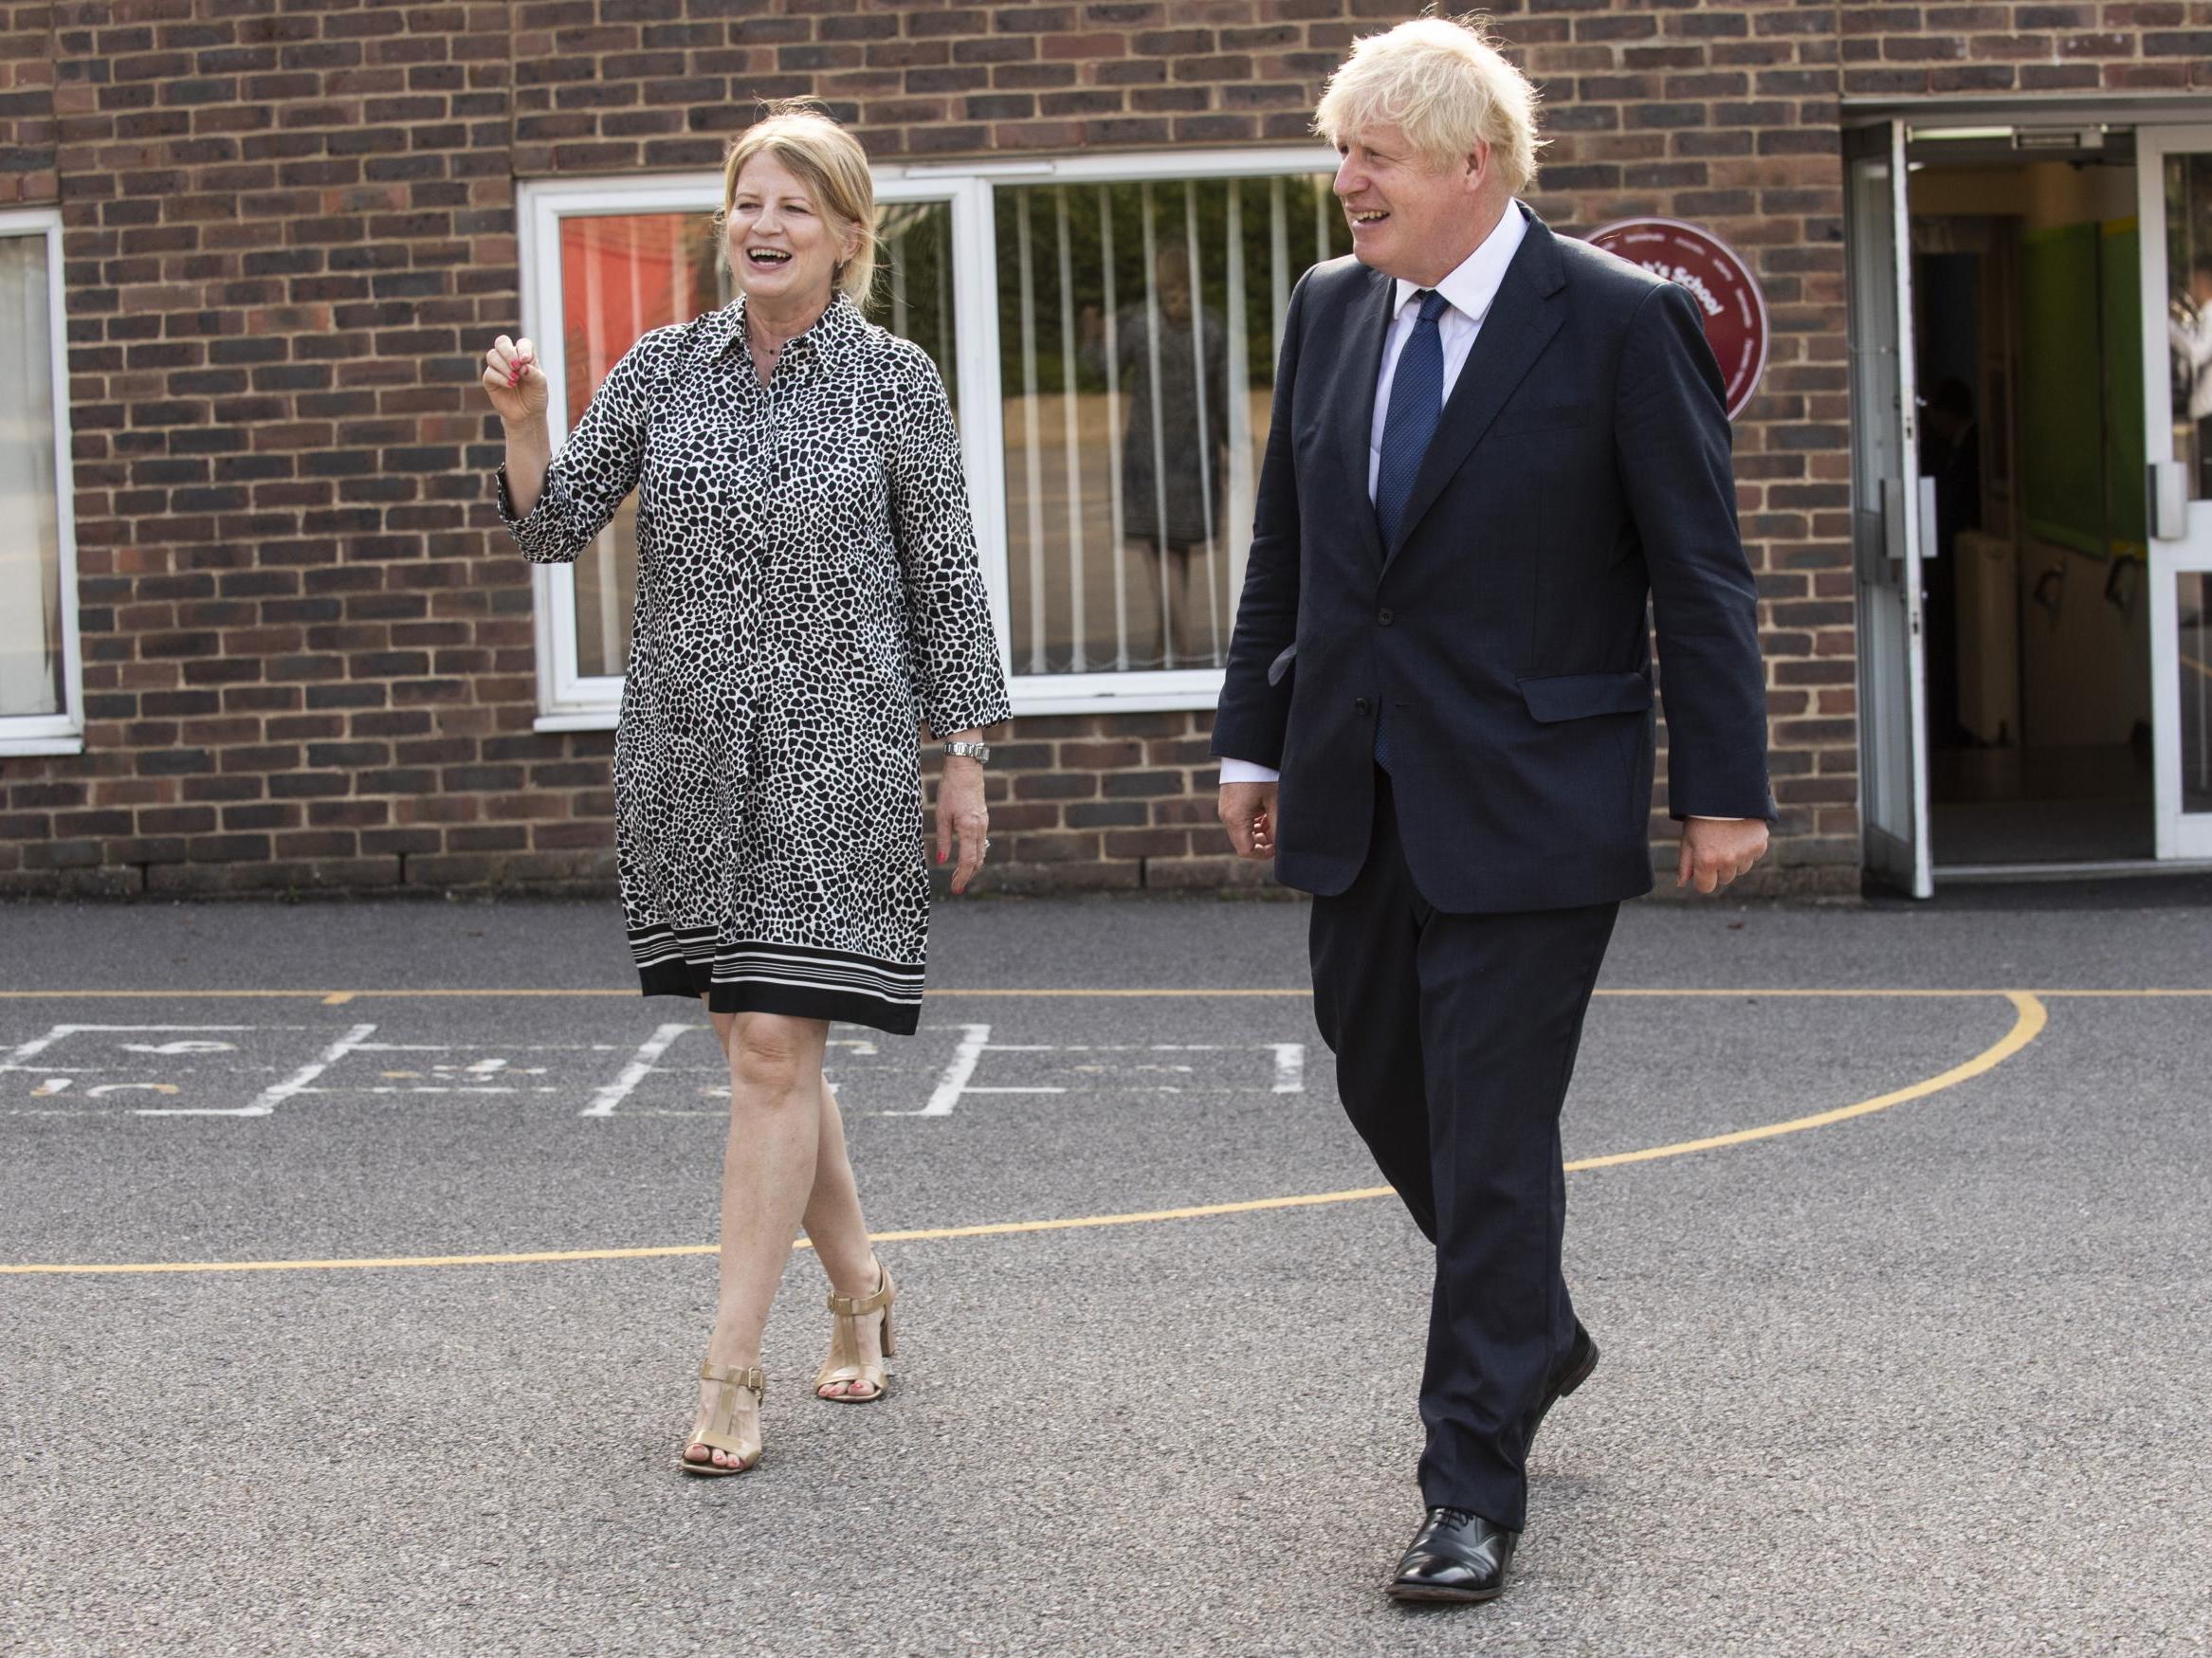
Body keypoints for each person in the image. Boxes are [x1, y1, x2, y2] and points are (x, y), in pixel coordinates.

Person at [1213, 18, 1773, 1603]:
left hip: (1534, 798)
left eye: (1371, 156)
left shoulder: (1614, 322)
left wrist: (1720, 787)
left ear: (1472, 162)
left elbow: (1698, 572)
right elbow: (1288, 553)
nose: (1346, 184)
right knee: (1376, 1072)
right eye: (1342, 154)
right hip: (1355, 785)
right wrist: (1252, 741)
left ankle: (1470, 1483)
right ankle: (1528, 1321)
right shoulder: (1331, 311)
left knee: (1492, 1130)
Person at [481, 103, 1010, 1477]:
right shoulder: (661, 369)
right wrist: (527, 423)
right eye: (746, 202)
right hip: (688, 755)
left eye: (794, 206)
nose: (763, 226)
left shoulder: (895, 382)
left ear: (846, 236)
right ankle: (863, 1293)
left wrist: (963, 752)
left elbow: (945, 574)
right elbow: (551, 524)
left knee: (776, 1047)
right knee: (761, 1047)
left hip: (839, 753)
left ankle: (729, 1365)